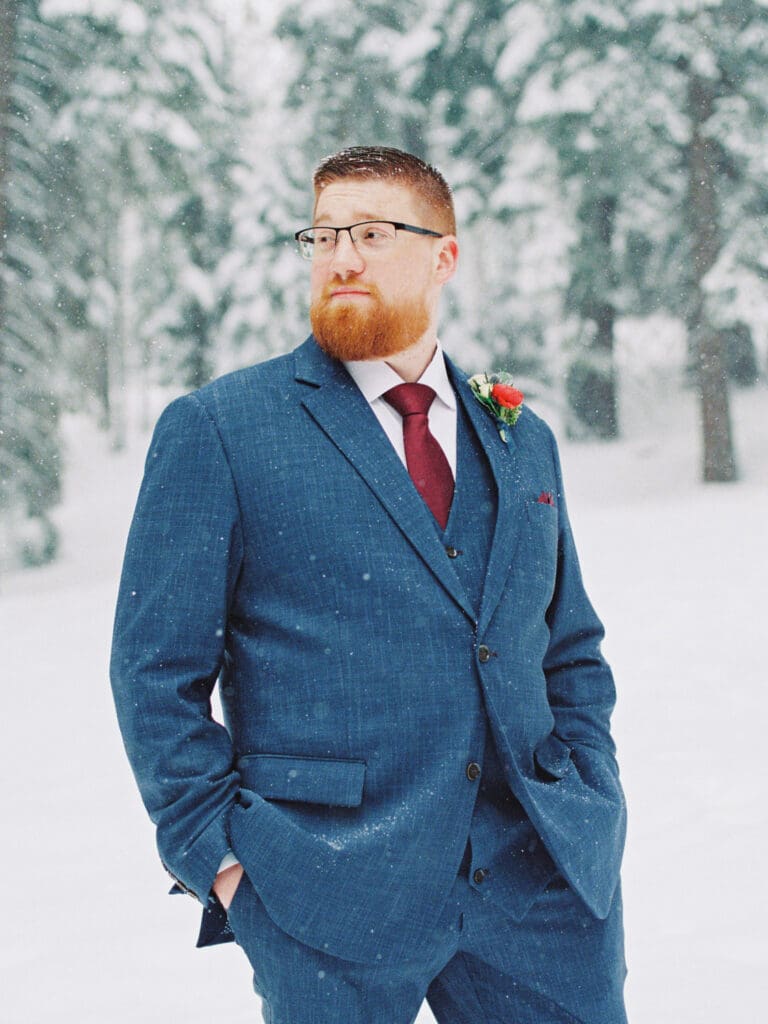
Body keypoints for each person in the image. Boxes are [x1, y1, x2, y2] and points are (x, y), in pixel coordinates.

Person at [110, 145, 627, 1023]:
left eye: (374, 233)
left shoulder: (520, 435)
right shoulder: (221, 429)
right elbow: (153, 672)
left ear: (444, 256)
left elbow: (567, 645)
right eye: (323, 234)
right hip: (322, 889)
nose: (341, 257)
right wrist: (226, 864)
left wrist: (590, 794)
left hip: (542, 882)